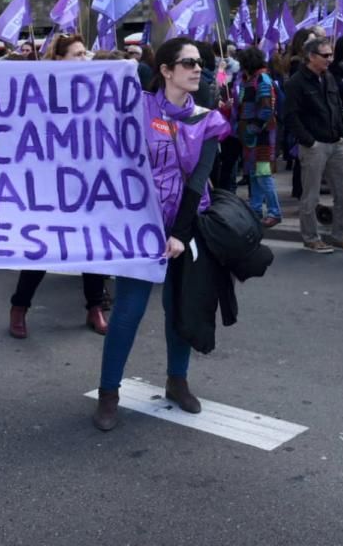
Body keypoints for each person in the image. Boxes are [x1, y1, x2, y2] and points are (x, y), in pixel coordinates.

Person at [92, 37, 230, 432]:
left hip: (185, 227)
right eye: (187, 62)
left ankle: (177, 381)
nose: (197, 68)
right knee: (128, 313)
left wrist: (180, 235)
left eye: (200, 62)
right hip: (138, 226)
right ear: (166, 70)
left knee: (180, 308)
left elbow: (198, 181)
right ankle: (108, 394)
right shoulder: (135, 109)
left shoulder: (208, 118)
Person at [9, 33, 108, 338]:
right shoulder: (42, 92)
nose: (83, 59)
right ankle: (19, 308)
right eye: (77, 54)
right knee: (44, 247)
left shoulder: (95, 90)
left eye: (84, 53)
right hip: (50, 184)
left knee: (93, 246)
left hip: (86, 179)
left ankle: (95, 308)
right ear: (59, 59)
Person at [284, 36, 343, 255]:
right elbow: (290, 117)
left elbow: (335, 105)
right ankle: (311, 237)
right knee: (311, 195)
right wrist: (309, 142)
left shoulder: (329, 78)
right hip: (314, 145)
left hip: (336, 142)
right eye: (325, 55)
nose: (330, 59)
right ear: (311, 57)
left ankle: (340, 235)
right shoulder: (296, 83)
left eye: (331, 54)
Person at [237, 47, 282, 226]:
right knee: (255, 174)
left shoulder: (262, 79)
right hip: (253, 135)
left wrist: (252, 128)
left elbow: (266, 109)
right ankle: (255, 209)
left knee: (263, 174)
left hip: (261, 135)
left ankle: (274, 211)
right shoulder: (252, 79)